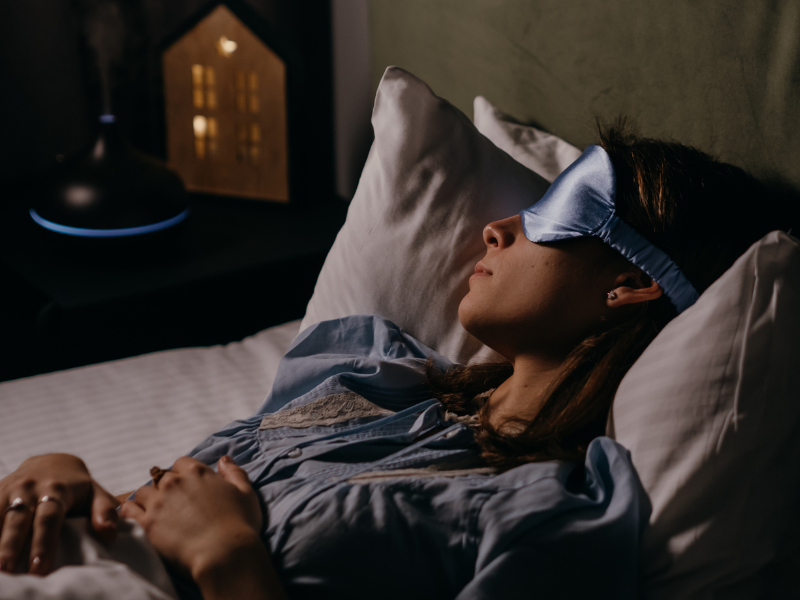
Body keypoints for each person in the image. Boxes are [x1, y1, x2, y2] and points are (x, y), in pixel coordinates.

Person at [0, 123, 788, 600]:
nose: (497, 228)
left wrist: (231, 564)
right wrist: (70, 483)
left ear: (632, 282)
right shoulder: (368, 373)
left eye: (557, 213)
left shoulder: (551, 518)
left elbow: (209, 537)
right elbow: (175, 503)